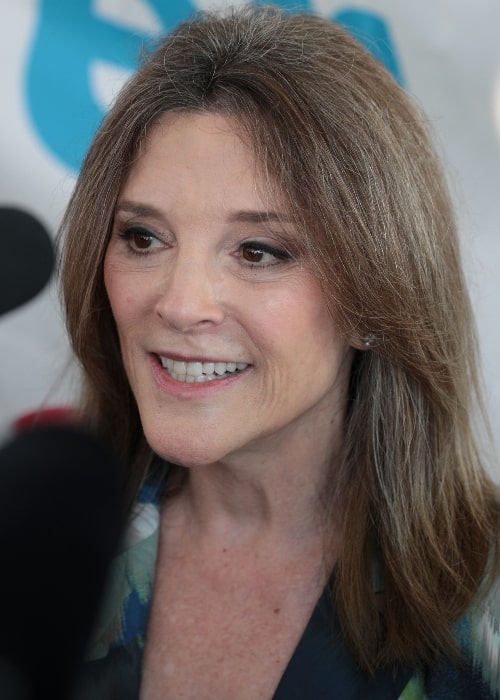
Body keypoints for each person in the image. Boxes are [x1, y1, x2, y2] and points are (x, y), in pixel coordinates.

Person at [59, 5, 500, 698]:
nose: (179, 303)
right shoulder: (41, 549)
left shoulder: (486, 598)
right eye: (144, 238)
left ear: (373, 296)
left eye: (259, 251)